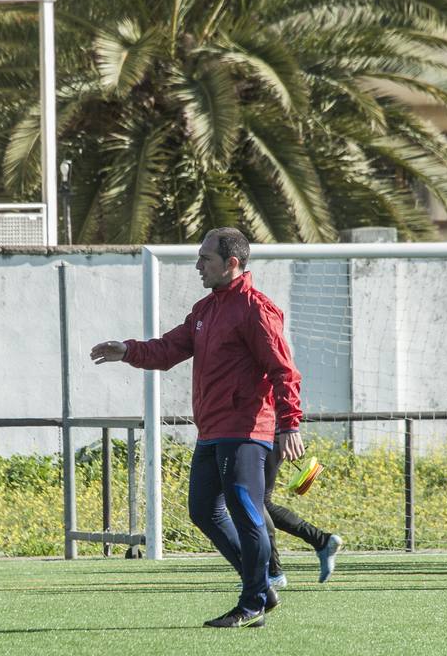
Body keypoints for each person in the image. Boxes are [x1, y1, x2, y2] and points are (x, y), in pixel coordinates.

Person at [91, 228, 303, 627]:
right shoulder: (205, 310)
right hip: (212, 430)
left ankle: (254, 601)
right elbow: (170, 349)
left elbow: (284, 369)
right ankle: (261, 588)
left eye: (205, 258)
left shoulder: (257, 309)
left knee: (244, 511)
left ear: (232, 264)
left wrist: (290, 422)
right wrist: (128, 351)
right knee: (203, 510)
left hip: (246, 428)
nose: (197, 265)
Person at [262, 443, 344, 585]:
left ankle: (273, 572)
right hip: (261, 437)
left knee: (257, 504)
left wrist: (289, 431)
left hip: (260, 437)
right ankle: (321, 540)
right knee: (260, 504)